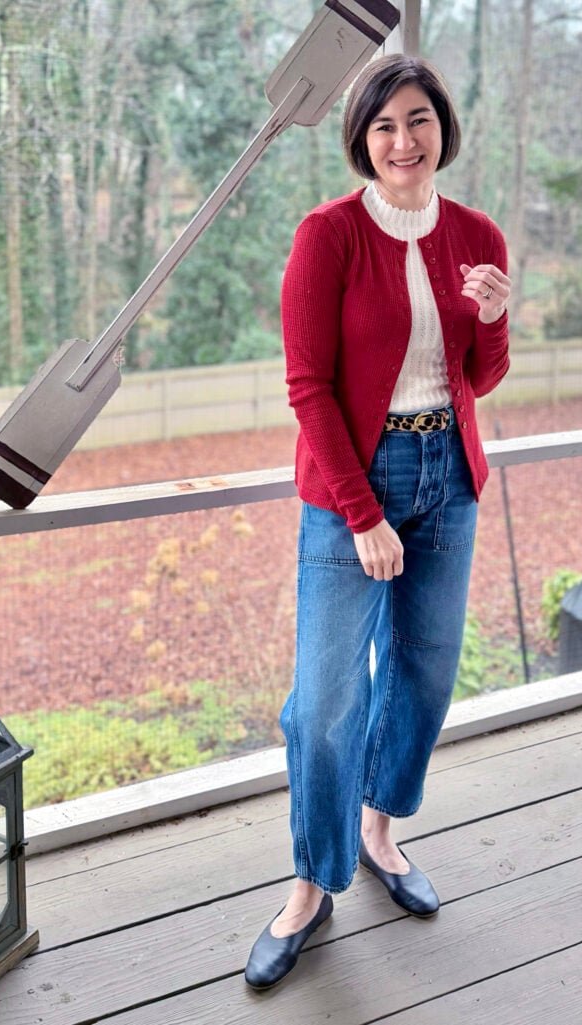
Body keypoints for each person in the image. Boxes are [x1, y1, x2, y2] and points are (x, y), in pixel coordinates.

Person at [245, 52, 511, 990]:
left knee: (425, 675)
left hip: (450, 472)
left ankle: (377, 833)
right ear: (361, 138)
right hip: (351, 482)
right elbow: (307, 387)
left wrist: (494, 320)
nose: (403, 141)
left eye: (419, 122)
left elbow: (477, 379)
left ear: (443, 130)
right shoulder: (328, 236)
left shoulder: (477, 234)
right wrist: (361, 513)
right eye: (385, 125)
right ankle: (310, 884)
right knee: (323, 703)